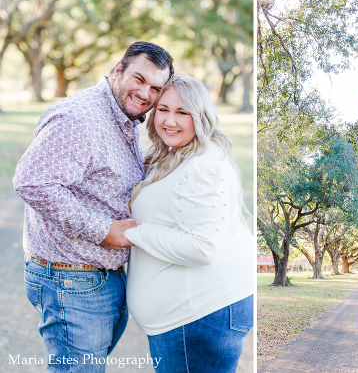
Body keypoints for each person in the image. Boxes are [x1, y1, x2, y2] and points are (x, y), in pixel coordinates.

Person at [13, 42, 173, 372]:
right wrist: (103, 231)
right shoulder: (82, 118)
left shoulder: (121, 118)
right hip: (72, 283)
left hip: (96, 281)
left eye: (156, 88)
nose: (145, 93)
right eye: (139, 79)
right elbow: (32, 181)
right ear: (118, 69)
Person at [123, 74, 253, 373]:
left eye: (183, 112)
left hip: (199, 318)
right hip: (187, 320)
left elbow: (202, 247)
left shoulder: (203, 166)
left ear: (200, 116)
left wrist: (134, 232)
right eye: (163, 109)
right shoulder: (176, 154)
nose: (170, 121)